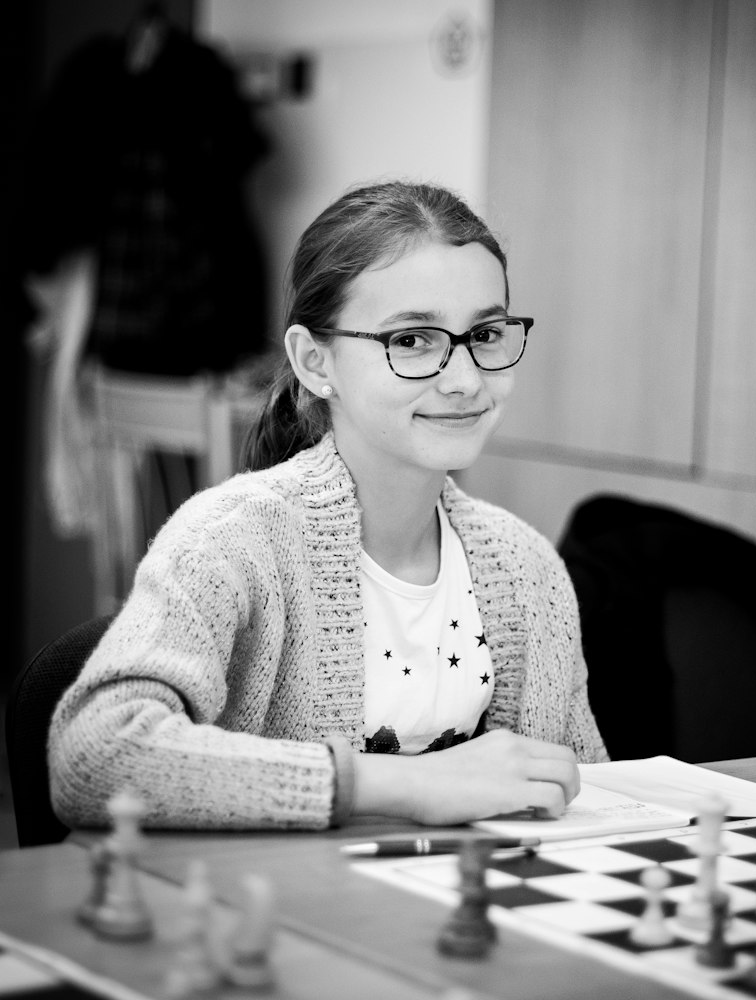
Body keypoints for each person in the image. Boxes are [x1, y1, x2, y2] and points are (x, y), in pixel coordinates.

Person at [48, 180, 608, 832]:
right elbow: (91, 758)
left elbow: (587, 787)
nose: (464, 379)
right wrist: (394, 784)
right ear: (317, 362)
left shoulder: (528, 566)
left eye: (485, 333)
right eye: (412, 340)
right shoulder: (230, 541)